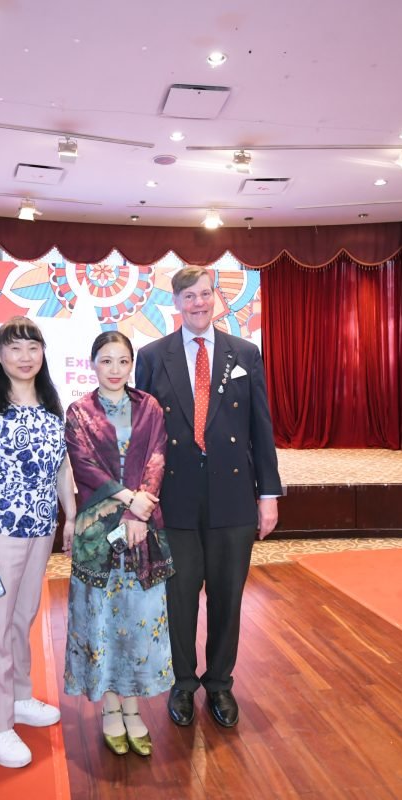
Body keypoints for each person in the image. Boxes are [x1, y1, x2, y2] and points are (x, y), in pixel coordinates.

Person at [134, 266, 282, 729]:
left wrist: (268, 495)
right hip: (173, 498)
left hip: (233, 496)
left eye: (204, 294)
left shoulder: (245, 353)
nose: (198, 303)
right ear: (175, 303)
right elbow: (144, 436)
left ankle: (219, 683)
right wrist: (141, 496)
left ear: (215, 297)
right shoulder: (152, 356)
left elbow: (260, 427)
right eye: (189, 296)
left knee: (227, 595)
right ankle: (182, 683)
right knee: (179, 597)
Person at [0, 316, 74, 768]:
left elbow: (61, 467)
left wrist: (70, 515)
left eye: (33, 347)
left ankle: (18, 697)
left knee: (23, 617)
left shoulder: (50, 405)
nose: (25, 357)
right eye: (14, 348)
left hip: (41, 530)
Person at [63, 331, 173, 757]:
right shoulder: (79, 411)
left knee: (140, 619)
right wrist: (130, 500)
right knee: (102, 620)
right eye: (106, 360)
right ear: (92, 363)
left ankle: (133, 707)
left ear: (132, 365)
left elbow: (157, 458)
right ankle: (110, 708)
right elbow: (84, 465)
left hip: (143, 529)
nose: (114, 369)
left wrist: (138, 513)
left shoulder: (150, 407)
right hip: (97, 533)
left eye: (122, 361)